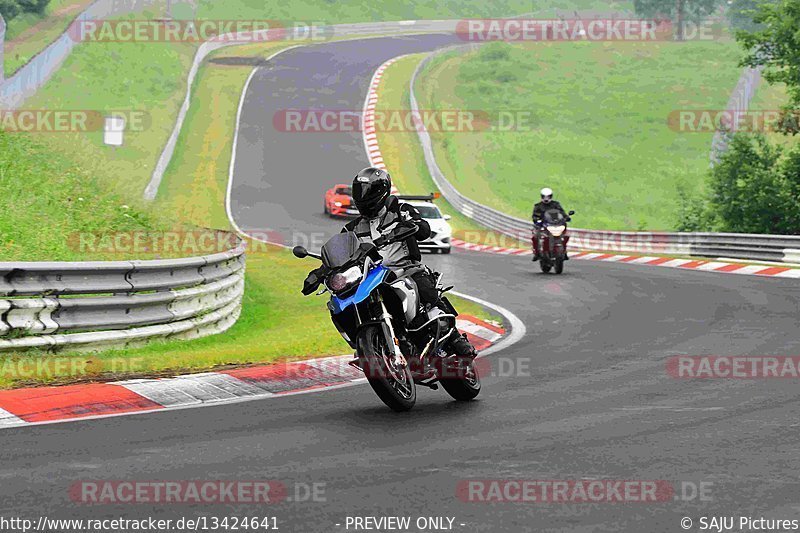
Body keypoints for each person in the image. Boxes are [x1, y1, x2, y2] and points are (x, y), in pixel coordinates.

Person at [344, 166, 476, 359]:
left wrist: (412, 226)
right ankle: (376, 343)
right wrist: (321, 271)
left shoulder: (400, 210)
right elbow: (340, 251)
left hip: (405, 268)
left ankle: (455, 338)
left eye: (367, 191)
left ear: (380, 191)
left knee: (423, 285)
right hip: (371, 278)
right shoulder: (352, 228)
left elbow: (423, 228)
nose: (362, 196)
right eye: (359, 191)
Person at [531, 187, 568, 262]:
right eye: (544, 196)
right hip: (543, 225)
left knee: (565, 235)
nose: (546, 198)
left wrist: (566, 217)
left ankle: (564, 251)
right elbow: (534, 215)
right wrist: (537, 220)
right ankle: (537, 252)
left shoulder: (556, 204)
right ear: (541, 196)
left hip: (555, 224)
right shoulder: (538, 206)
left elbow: (562, 212)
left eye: (548, 196)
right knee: (535, 236)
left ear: (551, 196)